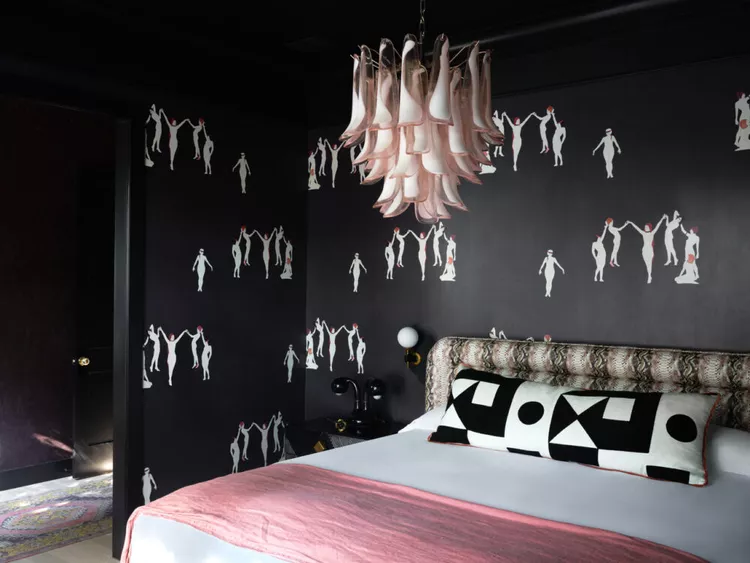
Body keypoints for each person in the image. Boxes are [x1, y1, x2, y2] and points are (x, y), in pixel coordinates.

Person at [626, 215, 668, 284]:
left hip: (650, 250)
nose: (645, 227)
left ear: (649, 227)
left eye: (646, 227)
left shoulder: (652, 233)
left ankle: (649, 276)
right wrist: (631, 223)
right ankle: (649, 275)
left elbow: (658, 225)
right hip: (644, 250)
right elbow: (636, 228)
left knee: (649, 264)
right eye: (645, 227)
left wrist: (662, 218)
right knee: (647, 264)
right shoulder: (643, 233)